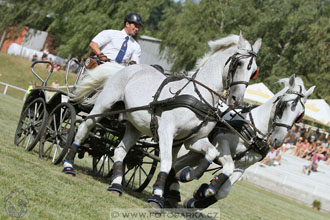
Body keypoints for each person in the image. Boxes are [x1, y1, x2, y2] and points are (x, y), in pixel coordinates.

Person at [62, 12, 143, 176]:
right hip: (100, 66)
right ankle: (88, 97)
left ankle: (121, 111)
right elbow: (93, 44)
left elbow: (134, 62)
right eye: (135, 25)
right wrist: (100, 55)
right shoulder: (111, 34)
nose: (137, 28)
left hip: (119, 72)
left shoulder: (136, 46)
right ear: (127, 23)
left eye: (138, 26)